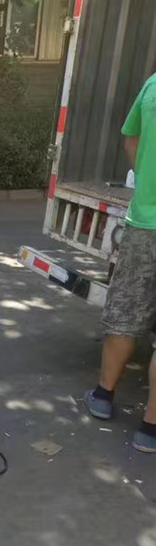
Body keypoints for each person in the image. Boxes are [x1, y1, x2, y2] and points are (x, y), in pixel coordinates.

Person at [84, 72, 156, 453]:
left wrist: (147, 177)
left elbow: (131, 138)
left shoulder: (152, 85)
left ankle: (102, 395)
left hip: (144, 221)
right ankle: (150, 429)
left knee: (126, 310)